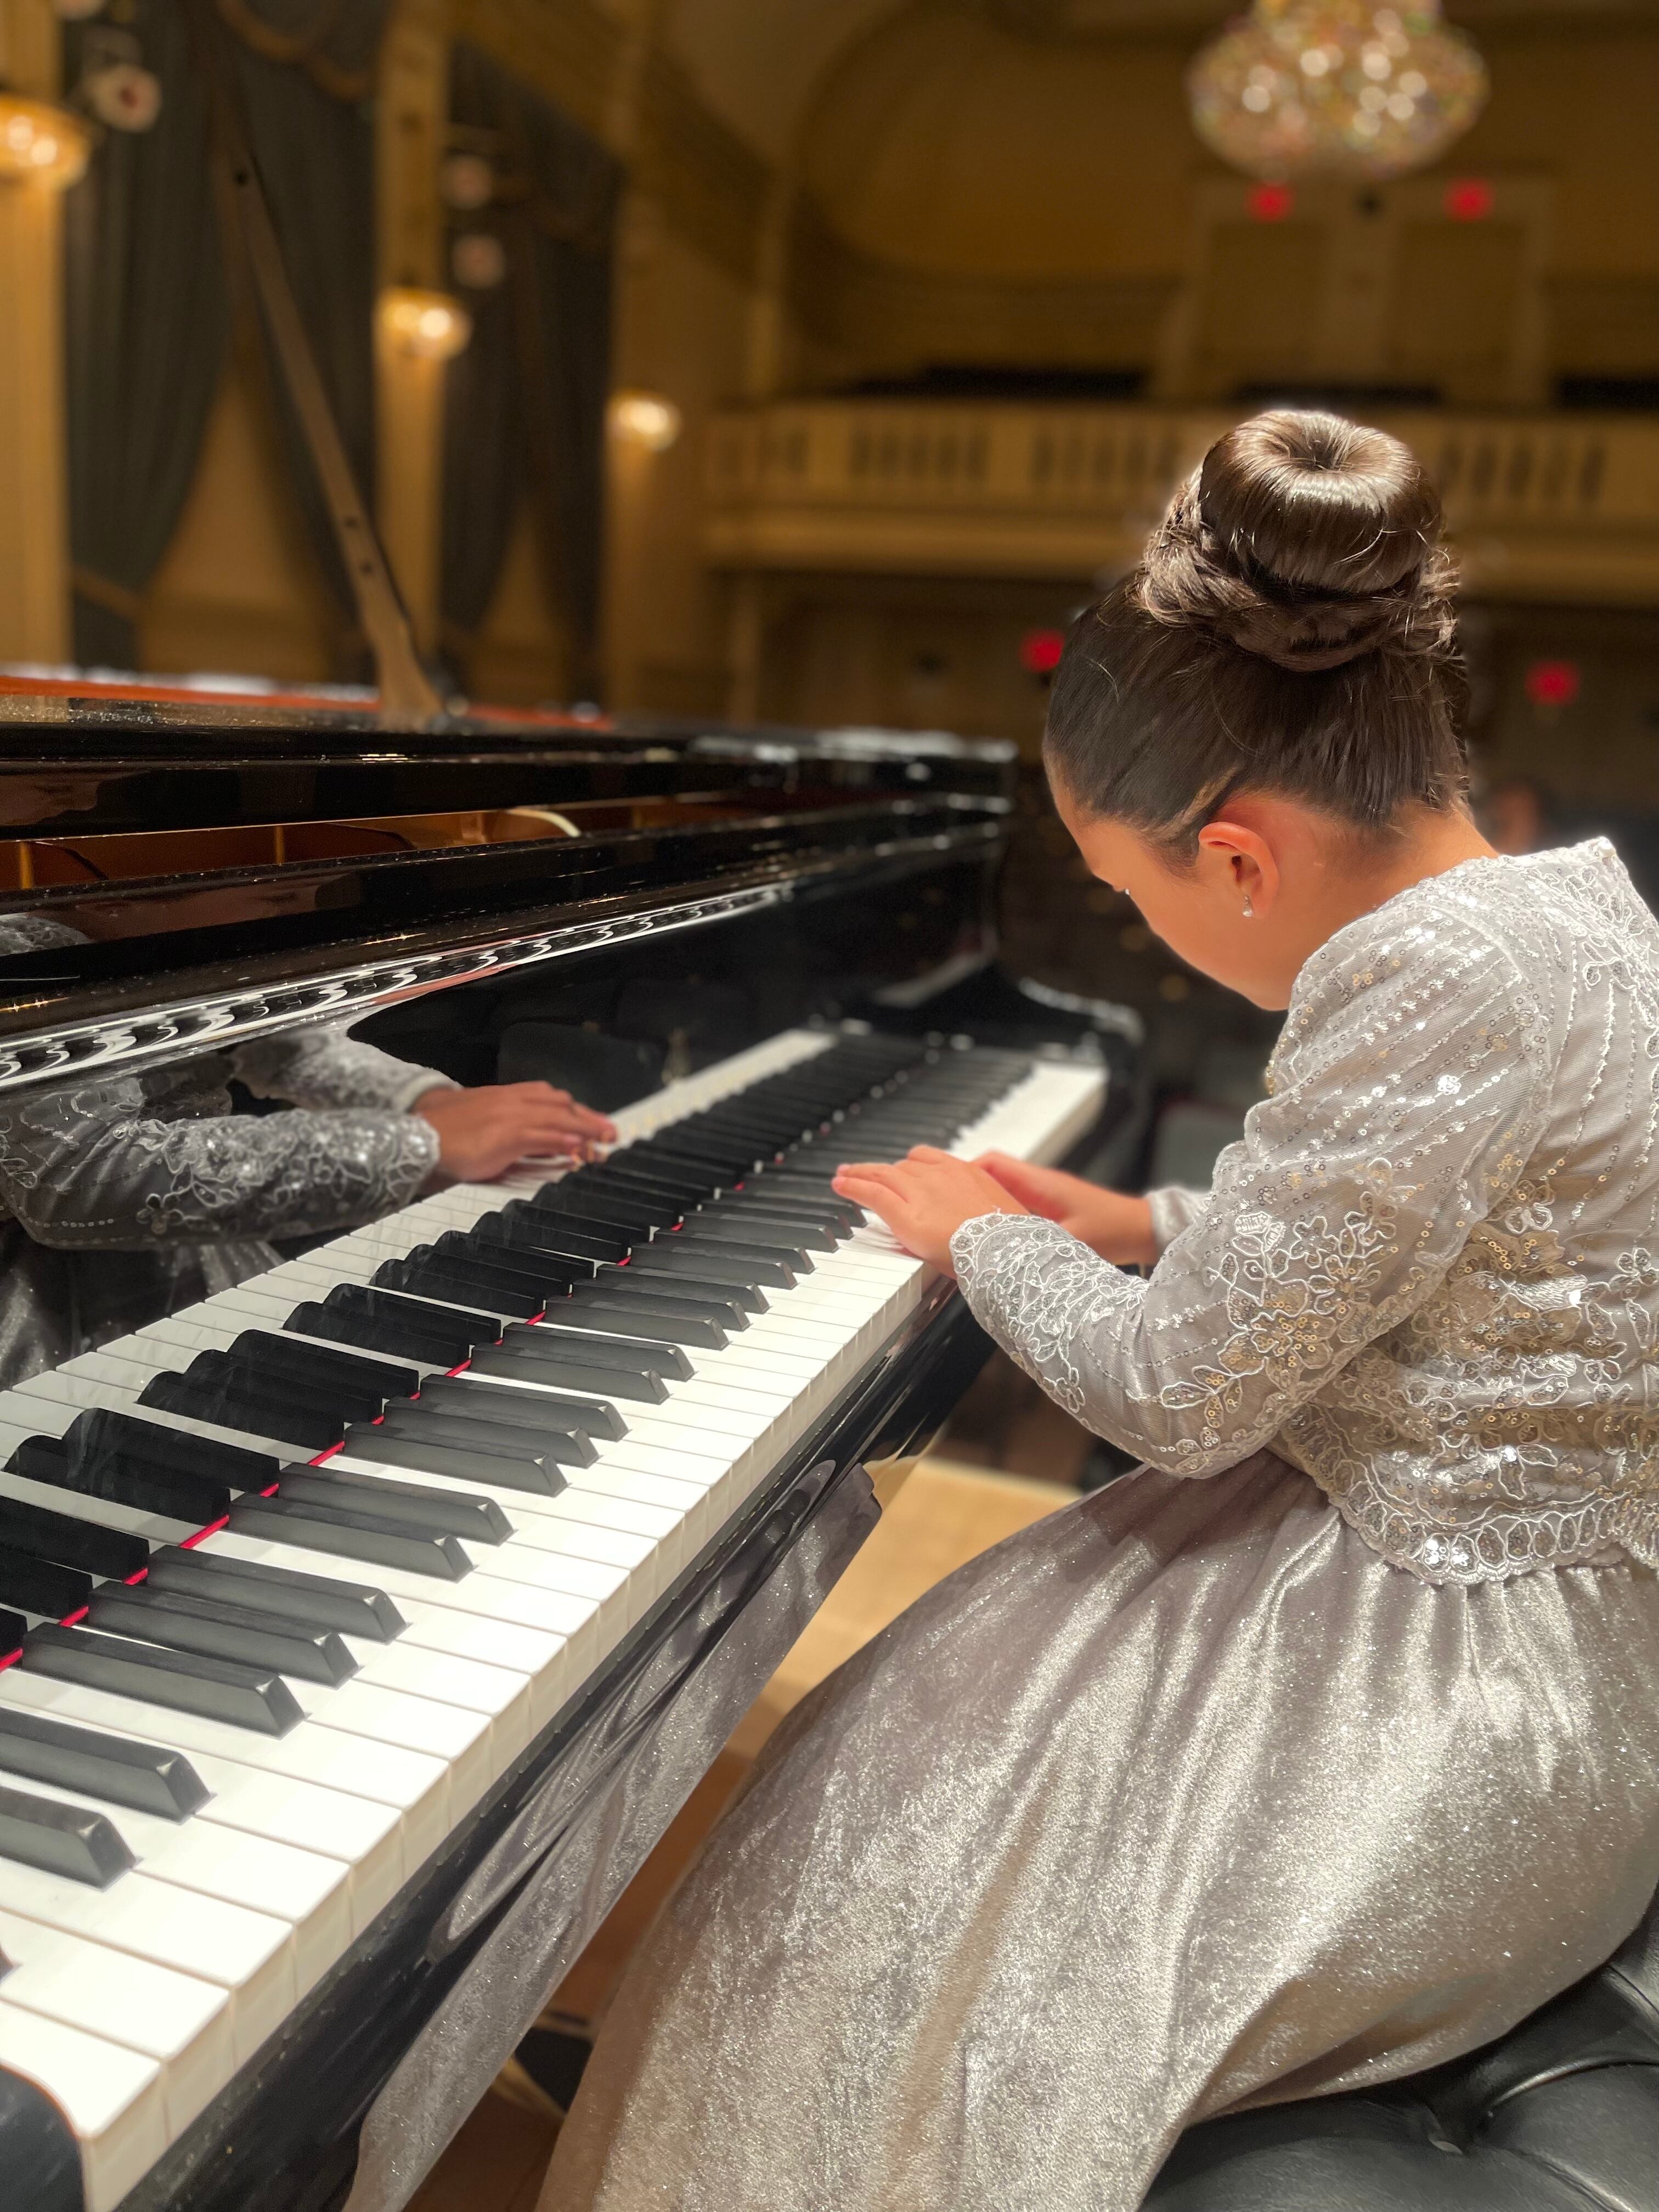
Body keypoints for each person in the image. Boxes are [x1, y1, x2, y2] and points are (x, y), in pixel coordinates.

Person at [536, 411, 1659, 2212]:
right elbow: (1475, 1245)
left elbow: (1183, 1396)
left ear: (1230, 855)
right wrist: (1149, 1214)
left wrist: (979, 1239)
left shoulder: (1424, 983)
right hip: (1562, 1617)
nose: (1144, 941)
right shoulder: (1556, 916)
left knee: (890, 1837)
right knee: (908, 1746)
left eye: (1132, 898)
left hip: (1466, 1688)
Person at [0, 938, 614, 1389]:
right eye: (279, 887)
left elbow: (279, 1041)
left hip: (186, 1251)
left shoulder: (186, 927)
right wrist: (411, 1145)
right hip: (42, 1301)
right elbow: (72, 1178)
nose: (306, 893)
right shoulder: (23, 949)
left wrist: (434, 1102)